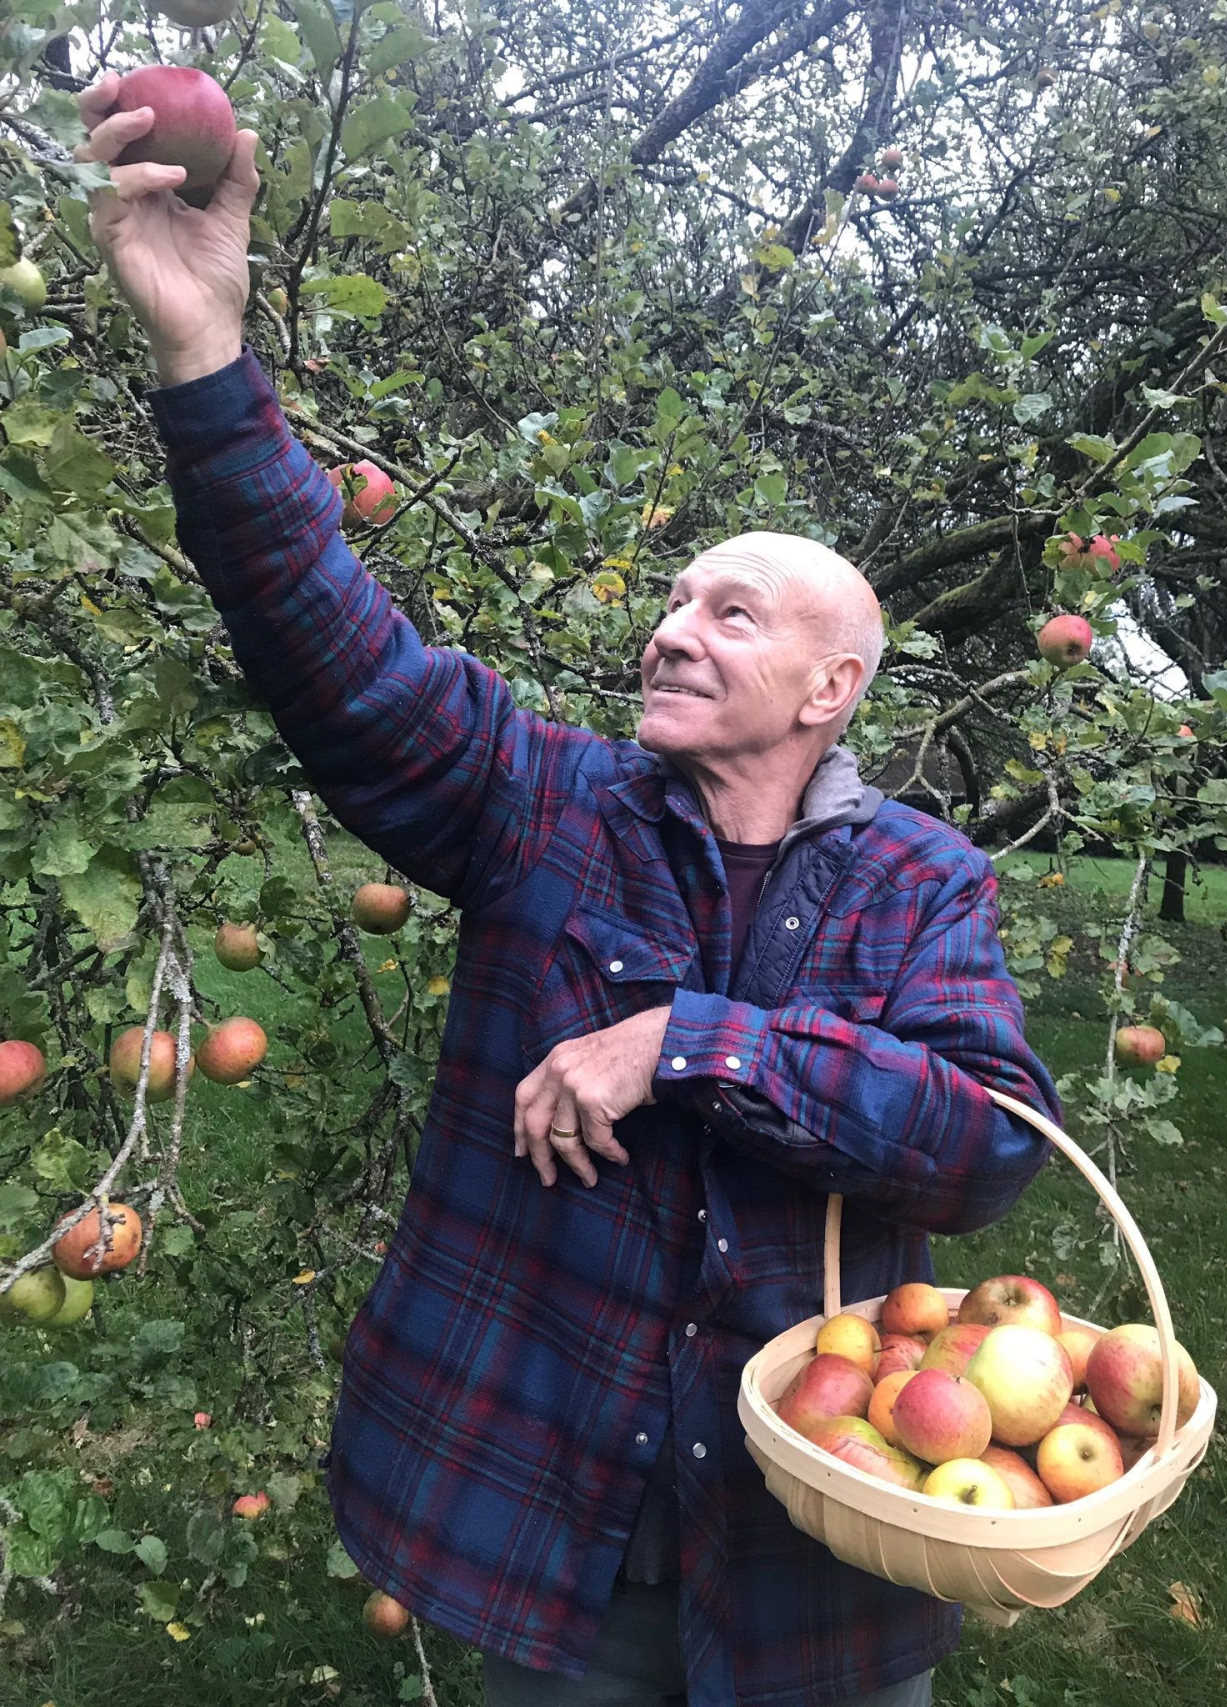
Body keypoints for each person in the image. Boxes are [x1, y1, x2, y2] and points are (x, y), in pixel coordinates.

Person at [79, 83, 1061, 1707]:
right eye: (671, 602)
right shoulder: (539, 801)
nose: (671, 631)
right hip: (552, 1532)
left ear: (832, 689)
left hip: (823, 1561)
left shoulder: (920, 878)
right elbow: (330, 645)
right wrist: (206, 351)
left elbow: (987, 1144)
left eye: (730, 613)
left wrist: (684, 1041)